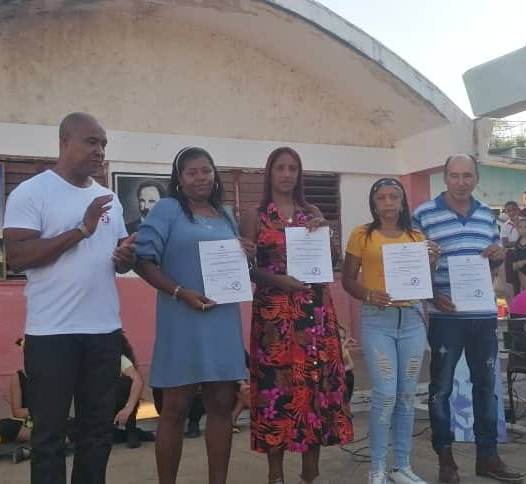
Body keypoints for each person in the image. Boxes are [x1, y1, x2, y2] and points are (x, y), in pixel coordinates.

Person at [3, 112, 136, 484]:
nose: (100, 151)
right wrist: (81, 229)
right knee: (48, 437)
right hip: (51, 335)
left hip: (104, 332)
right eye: (91, 142)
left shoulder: (106, 198)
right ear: (64, 142)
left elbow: (118, 259)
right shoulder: (31, 192)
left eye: (104, 144)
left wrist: (126, 258)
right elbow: (18, 255)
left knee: (97, 433)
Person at [134, 146, 252, 484]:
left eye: (206, 170)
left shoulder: (226, 214)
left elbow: (235, 267)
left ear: (215, 175)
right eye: (192, 172)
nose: (200, 177)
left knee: (220, 405)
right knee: (174, 409)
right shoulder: (168, 210)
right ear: (180, 179)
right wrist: (179, 292)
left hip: (221, 323)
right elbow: (143, 261)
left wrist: (246, 254)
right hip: (181, 321)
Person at [241, 147, 353, 484]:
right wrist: (278, 280)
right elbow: (245, 267)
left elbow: (331, 262)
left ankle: (310, 474)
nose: (287, 174)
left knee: (314, 390)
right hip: (274, 319)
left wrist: (327, 235)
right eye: (280, 168)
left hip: (314, 314)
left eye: (293, 168)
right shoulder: (255, 215)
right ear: (270, 173)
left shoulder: (312, 212)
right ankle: (275, 475)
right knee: (278, 394)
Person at [412, 154, 524, 483]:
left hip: (483, 314)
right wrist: (433, 295)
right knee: (441, 389)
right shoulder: (424, 215)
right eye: (454, 176)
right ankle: (446, 461)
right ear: (444, 177)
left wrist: (499, 255)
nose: (461, 182)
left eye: (467, 176)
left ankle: (487, 457)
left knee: (487, 387)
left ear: (476, 178)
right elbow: (412, 269)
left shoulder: (486, 217)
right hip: (445, 317)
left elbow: (488, 265)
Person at [342, 178, 440, 484]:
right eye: (381, 198)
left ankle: (403, 466)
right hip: (377, 320)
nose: (387, 203)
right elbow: (347, 279)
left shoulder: (416, 236)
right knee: (385, 394)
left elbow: (424, 282)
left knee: (406, 395)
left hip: (411, 320)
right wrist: (369, 294)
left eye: (393, 197)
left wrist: (432, 261)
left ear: (402, 202)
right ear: (374, 203)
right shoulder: (362, 234)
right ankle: (378, 468)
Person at [113, 333, 145, 449]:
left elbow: (137, 381)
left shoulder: (120, 359)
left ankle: (131, 429)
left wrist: (128, 408)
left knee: (125, 384)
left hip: (116, 402)